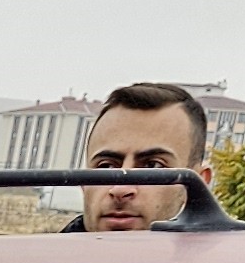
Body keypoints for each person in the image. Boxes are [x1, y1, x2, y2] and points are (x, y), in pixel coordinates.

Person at [71, 83, 213, 233]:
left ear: (200, 185)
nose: (120, 189)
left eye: (153, 166)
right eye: (106, 167)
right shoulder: (46, 255)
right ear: (83, 183)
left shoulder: (228, 255)